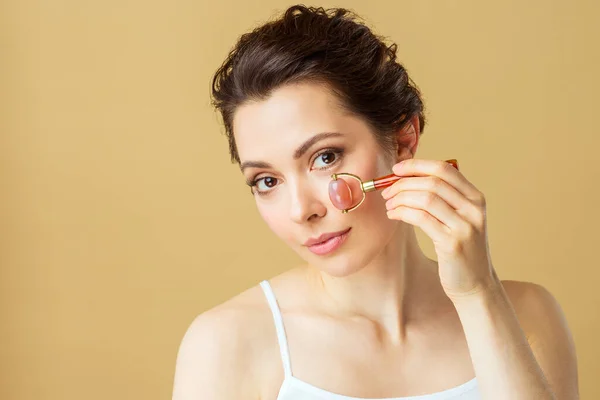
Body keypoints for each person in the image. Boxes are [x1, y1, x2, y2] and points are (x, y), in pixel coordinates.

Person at [172, 5, 578, 399]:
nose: (301, 210)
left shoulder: (527, 317)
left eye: (325, 157)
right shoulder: (227, 344)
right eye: (266, 180)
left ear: (403, 141)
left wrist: (478, 295)